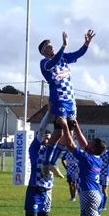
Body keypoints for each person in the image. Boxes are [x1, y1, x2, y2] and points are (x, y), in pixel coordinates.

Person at [38, 29, 95, 178]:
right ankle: (50, 162)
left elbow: (77, 54)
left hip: (71, 100)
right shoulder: (45, 62)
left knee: (61, 132)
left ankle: (49, 162)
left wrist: (86, 44)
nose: (51, 47)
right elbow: (53, 62)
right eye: (47, 47)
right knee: (62, 127)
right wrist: (63, 46)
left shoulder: (63, 58)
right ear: (43, 52)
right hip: (59, 99)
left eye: (51, 45)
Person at [60, 119, 109, 216]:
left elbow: (70, 144)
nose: (88, 144)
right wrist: (76, 127)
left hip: (89, 194)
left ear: (93, 149)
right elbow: (84, 144)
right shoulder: (97, 158)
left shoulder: (87, 158)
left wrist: (64, 127)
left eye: (91, 144)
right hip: (97, 194)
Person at [11, 111, 54, 216]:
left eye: (49, 139)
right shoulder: (35, 149)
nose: (47, 141)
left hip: (48, 192)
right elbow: (42, 128)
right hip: (34, 189)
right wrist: (49, 113)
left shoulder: (52, 152)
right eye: (45, 138)